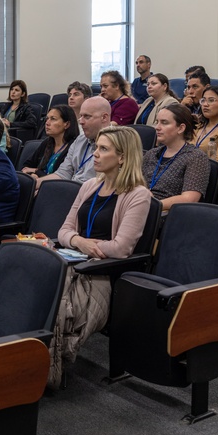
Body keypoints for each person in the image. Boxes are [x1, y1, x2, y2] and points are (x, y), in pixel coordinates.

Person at [50, 125, 151, 387]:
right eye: (96, 147)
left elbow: (121, 249)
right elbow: (64, 231)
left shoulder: (138, 195)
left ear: (122, 158)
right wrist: (81, 242)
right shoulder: (90, 185)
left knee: (52, 303)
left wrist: (81, 245)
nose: (95, 154)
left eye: (103, 149)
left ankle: (46, 369)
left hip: (101, 271)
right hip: (75, 258)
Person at [142, 104, 211, 210]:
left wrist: (153, 205)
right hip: (140, 207)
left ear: (181, 128)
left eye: (164, 123)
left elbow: (190, 199)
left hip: (166, 214)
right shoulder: (151, 154)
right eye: (157, 122)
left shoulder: (195, 157)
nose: (157, 127)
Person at [48, 96, 111, 185]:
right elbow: (63, 174)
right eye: (81, 116)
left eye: (87, 116)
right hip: (71, 191)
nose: (81, 121)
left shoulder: (118, 144)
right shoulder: (80, 140)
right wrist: (35, 184)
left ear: (104, 118)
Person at [22, 105, 79, 181]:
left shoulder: (74, 147)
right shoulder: (47, 142)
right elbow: (26, 167)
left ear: (67, 124)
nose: (47, 123)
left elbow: (60, 177)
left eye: (53, 119)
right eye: (47, 119)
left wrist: (37, 171)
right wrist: (32, 175)